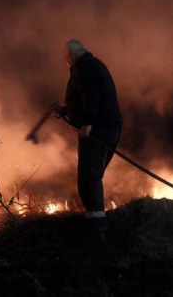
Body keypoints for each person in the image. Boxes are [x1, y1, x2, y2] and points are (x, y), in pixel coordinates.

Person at [53, 39, 122, 241]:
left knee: (88, 178)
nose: (65, 61)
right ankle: (97, 225)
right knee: (92, 175)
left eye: (65, 57)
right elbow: (83, 99)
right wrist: (64, 111)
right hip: (107, 127)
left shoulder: (84, 67)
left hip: (97, 131)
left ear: (70, 55)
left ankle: (97, 231)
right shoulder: (91, 65)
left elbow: (91, 94)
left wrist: (88, 124)